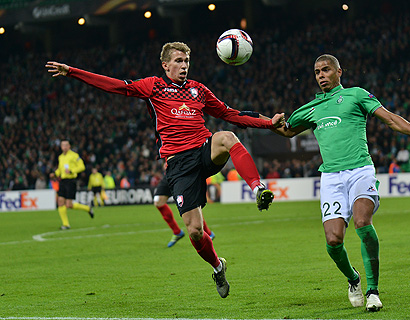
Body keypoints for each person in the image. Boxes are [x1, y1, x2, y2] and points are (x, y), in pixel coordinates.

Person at [45, 41, 285, 298]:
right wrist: (73, 71)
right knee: (195, 231)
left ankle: (258, 188)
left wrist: (267, 123)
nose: (184, 66)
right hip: (178, 165)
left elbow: (231, 113)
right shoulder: (153, 86)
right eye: (179, 61)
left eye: (187, 62)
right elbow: (115, 85)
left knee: (227, 137)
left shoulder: (199, 90)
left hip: (203, 149)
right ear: (166, 65)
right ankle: (217, 266)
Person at [269, 54, 410, 311]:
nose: (321, 75)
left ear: (339, 72)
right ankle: (353, 279)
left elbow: (390, 118)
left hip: (360, 170)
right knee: (334, 240)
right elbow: (286, 130)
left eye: (326, 70)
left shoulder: (356, 95)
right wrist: (262, 121)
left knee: (362, 221)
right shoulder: (310, 109)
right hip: (331, 177)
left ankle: (373, 290)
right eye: (317, 72)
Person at [153, 175, 215, 247]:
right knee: (158, 202)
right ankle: (177, 232)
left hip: (182, 173)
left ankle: (208, 233)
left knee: (190, 204)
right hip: (169, 173)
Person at [50, 139, 94, 229]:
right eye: (63, 145)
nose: (64, 147)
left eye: (66, 145)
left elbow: (82, 167)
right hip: (62, 181)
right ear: (61, 147)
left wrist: (72, 171)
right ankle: (66, 224)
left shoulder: (74, 156)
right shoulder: (60, 157)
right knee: (60, 202)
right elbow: (60, 169)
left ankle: (87, 208)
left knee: (69, 205)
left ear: (69, 146)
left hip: (71, 181)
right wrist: (55, 174)